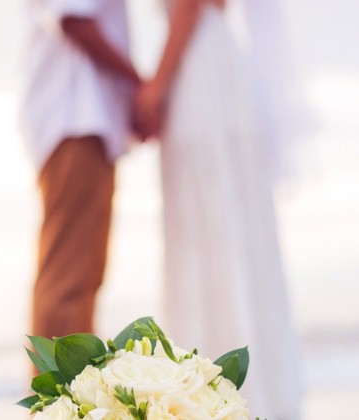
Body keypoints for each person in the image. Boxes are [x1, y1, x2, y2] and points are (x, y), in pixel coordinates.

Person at [135, 0, 302, 418]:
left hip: (199, 78)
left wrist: (156, 87)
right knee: (229, 235)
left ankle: (209, 393)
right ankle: (237, 389)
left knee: (206, 236)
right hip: (215, 70)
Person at [21, 0, 140, 339]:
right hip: (76, 113)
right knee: (69, 279)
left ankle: (60, 374)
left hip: (80, 114)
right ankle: (54, 376)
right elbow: (73, 15)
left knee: (80, 274)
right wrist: (138, 86)